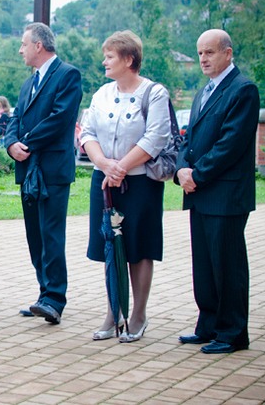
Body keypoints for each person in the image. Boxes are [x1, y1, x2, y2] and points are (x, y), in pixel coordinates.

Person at [80, 30, 171, 342]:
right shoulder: (101, 94)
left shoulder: (154, 93)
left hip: (141, 182)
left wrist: (122, 166)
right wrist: (105, 164)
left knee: (139, 247)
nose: (104, 62)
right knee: (110, 245)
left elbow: (156, 137)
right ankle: (113, 311)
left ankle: (138, 315)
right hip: (105, 181)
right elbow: (87, 133)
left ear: (129, 59)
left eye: (109, 57)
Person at [175, 29, 259, 354]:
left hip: (225, 195)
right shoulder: (203, 92)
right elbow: (188, 139)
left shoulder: (243, 90)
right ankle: (208, 325)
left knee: (227, 266)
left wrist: (197, 174)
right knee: (205, 265)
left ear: (228, 52)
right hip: (199, 194)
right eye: (199, 53)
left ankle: (232, 333)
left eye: (209, 52)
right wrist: (181, 169)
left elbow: (230, 144)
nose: (203, 59)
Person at [4, 22, 82, 325]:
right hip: (28, 169)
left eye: (23, 44)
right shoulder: (29, 83)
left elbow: (59, 119)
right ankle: (43, 295)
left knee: (51, 234)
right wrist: (11, 144)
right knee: (34, 235)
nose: (20, 50)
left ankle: (55, 299)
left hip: (52, 170)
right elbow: (15, 118)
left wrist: (26, 142)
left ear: (38, 45)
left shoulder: (68, 75)